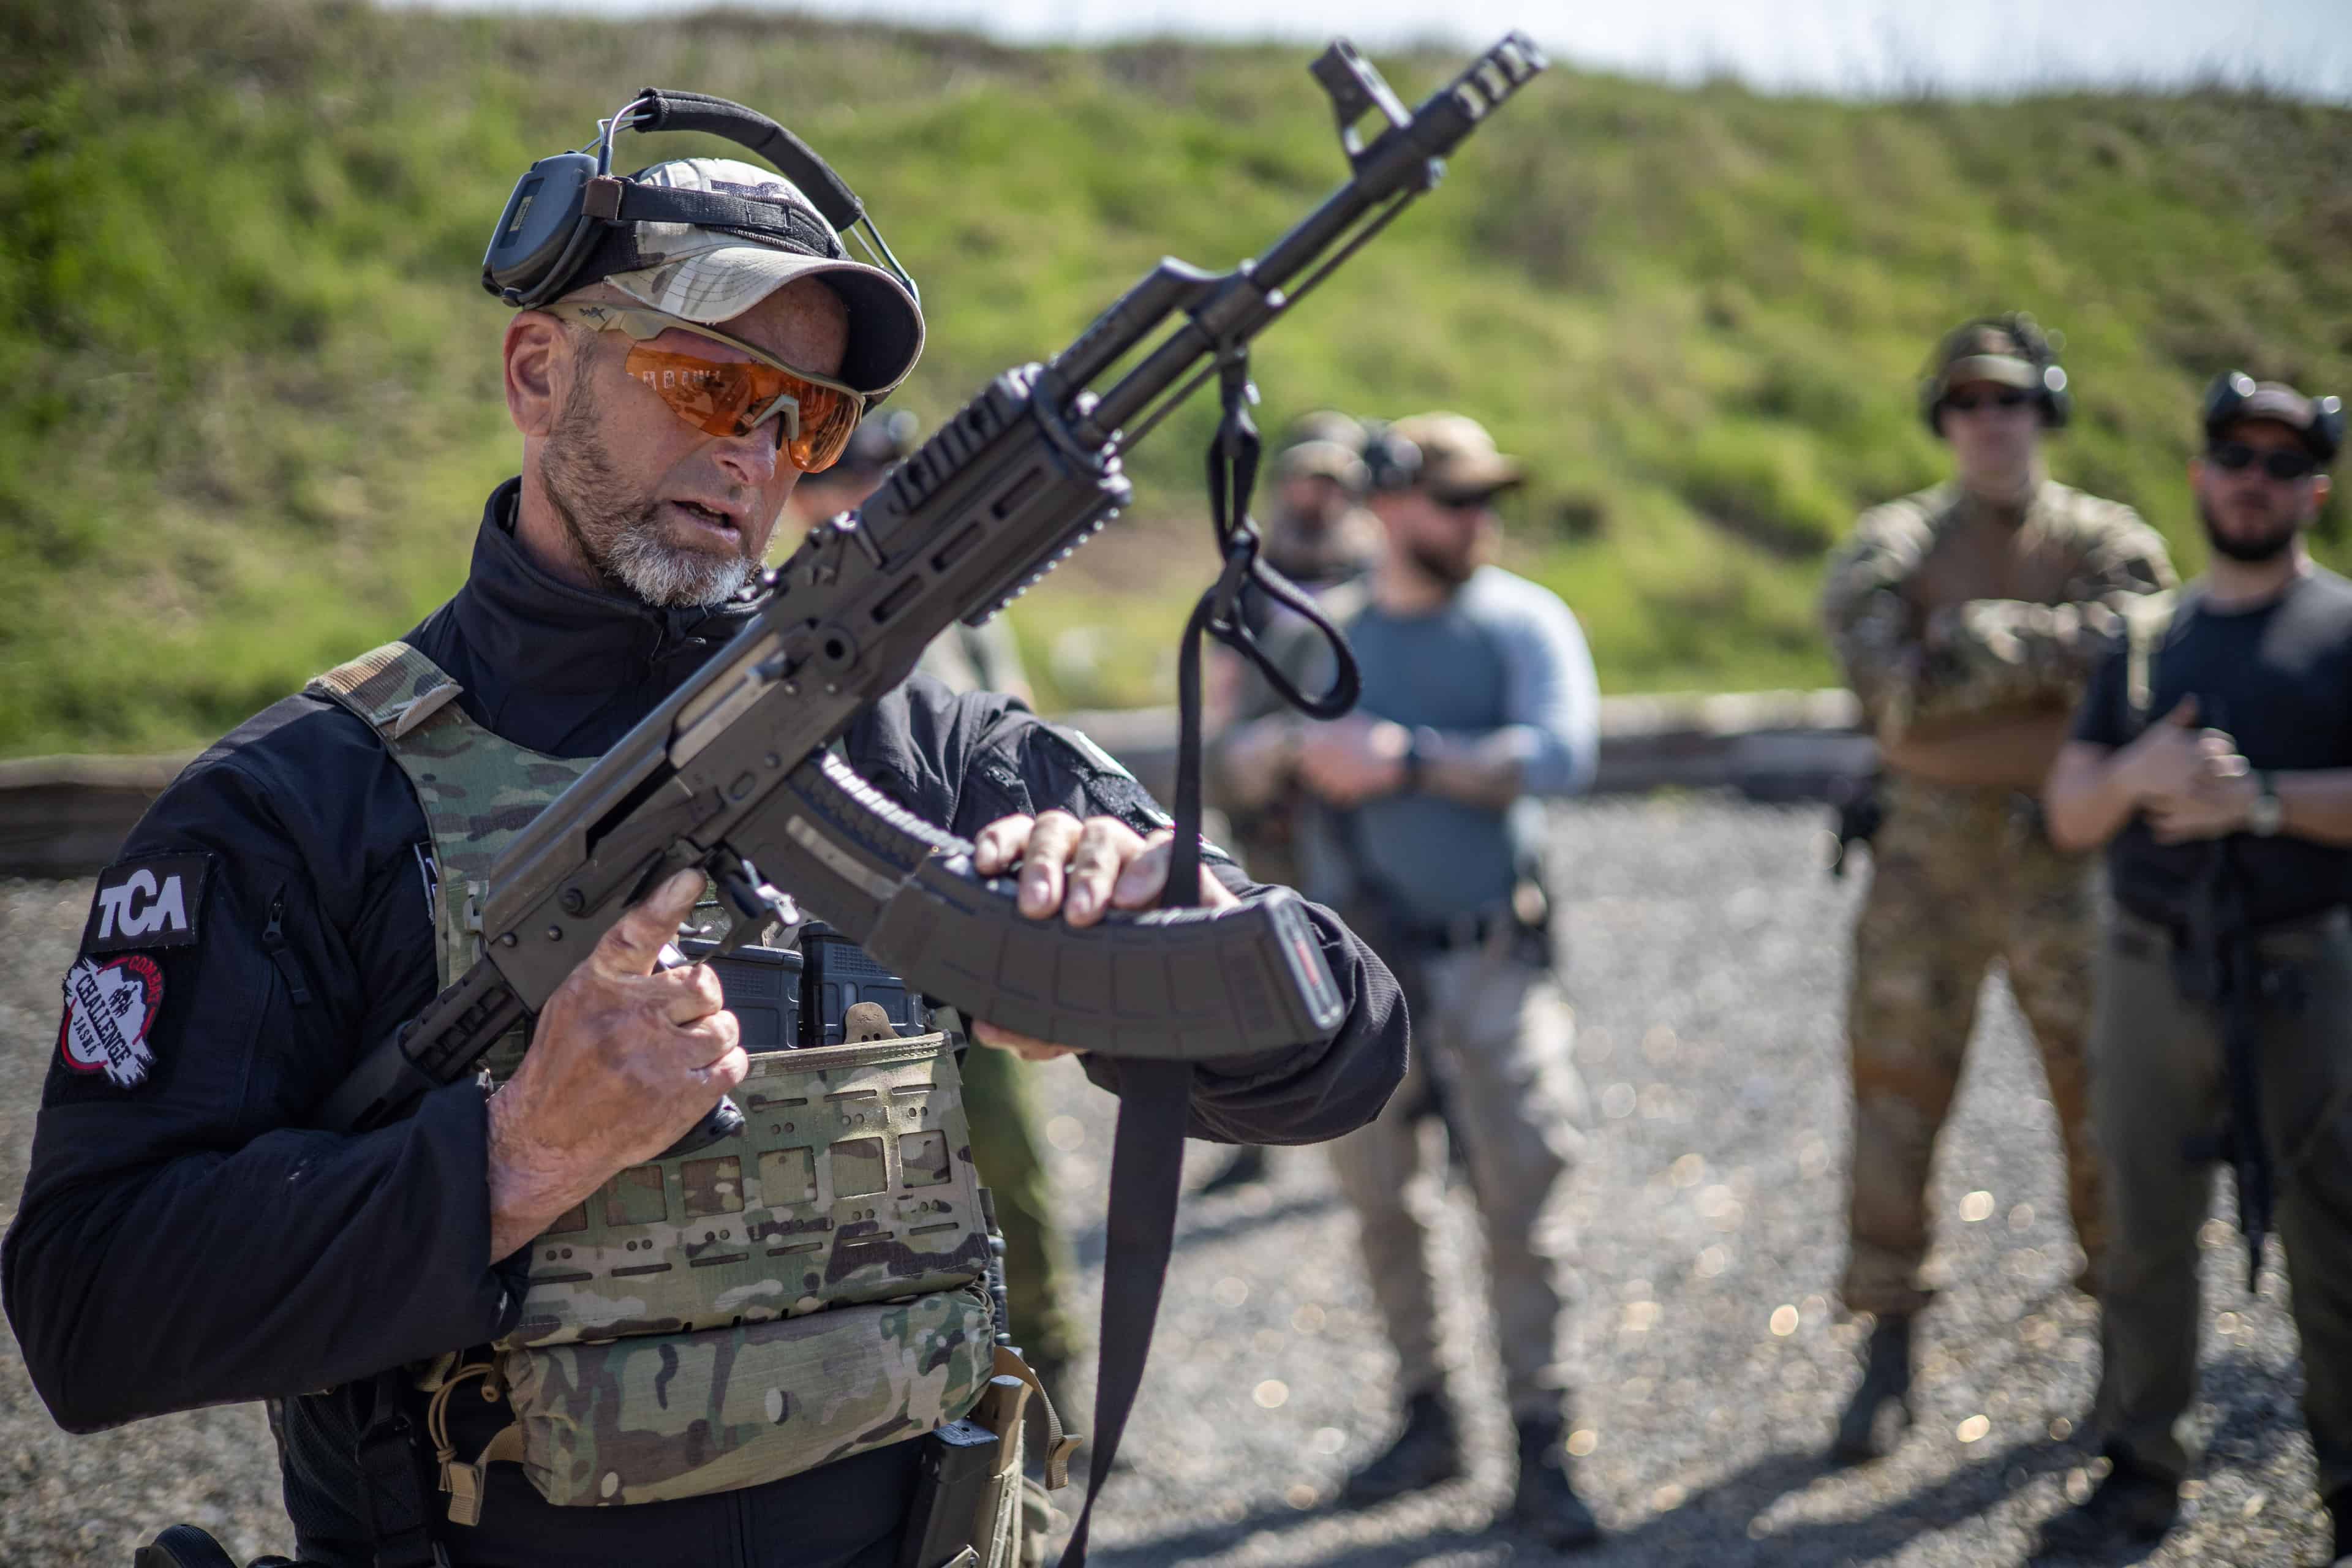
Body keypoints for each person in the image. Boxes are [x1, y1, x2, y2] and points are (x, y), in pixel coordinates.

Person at [0, 145, 1406, 1568]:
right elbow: (87, 1307)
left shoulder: (932, 750)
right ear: (539, 371)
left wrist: (1179, 920)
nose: (752, 449)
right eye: (710, 382)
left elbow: (1348, 1052)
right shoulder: (300, 805)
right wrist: (506, 1158)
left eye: (802, 418)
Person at [1212, 411, 1603, 1548]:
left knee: (1526, 1204)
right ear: (1390, 507)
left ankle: (1545, 1441)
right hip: (1359, 981)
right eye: (1456, 498)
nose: (1479, 521)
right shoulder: (1321, 635)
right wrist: (1295, 753)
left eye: (1488, 500)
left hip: (1491, 962)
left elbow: (1565, 751)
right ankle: (1427, 1416)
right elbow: (1232, 759)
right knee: (1384, 1207)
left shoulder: (1523, 621)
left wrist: (1411, 757)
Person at [1817, 316, 2177, 1463]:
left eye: (2011, 401)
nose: (1991, 423)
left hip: (2072, 863)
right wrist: (2053, 672)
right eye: (1969, 403)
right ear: (1944, 419)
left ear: (2045, 412)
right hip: (1925, 867)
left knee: (2109, 1104)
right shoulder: (1892, 544)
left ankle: (2132, 1352)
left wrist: (1973, 638)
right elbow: (1892, 697)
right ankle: (1886, 1337)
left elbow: (2150, 660)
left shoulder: (2108, 539)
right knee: (1894, 1100)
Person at [2040, 374, 2352, 1558]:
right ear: (2200, 475)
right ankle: (2137, 1471)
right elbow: (2071, 811)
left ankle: (2349, 1486)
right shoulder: (2144, 637)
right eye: (2236, 457)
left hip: (2303, 967)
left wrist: (2259, 802)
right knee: (2142, 1225)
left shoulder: (2340, 629)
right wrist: (2140, 778)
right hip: (2149, 966)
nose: (2255, 482)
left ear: (2314, 490)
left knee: (2335, 1232)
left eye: (2282, 465)